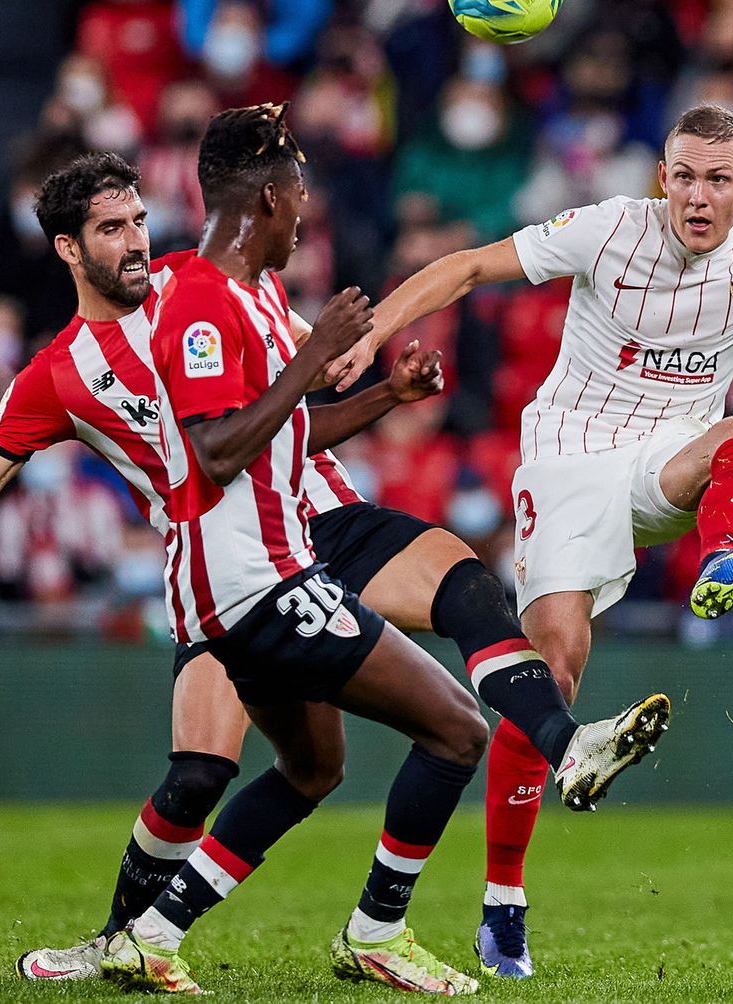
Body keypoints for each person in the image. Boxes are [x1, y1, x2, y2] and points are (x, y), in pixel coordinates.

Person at [0, 138, 663, 990]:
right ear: (66, 249)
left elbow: (287, 417)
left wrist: (381, 391)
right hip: (229, 562)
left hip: (310, 525)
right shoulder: (60, 375)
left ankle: (208, 931)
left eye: (139, 221)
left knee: (439, 621)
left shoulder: (199, 285)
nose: (135, 241)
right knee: (216, 767)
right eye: (109, 230)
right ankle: (142, 939)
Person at [328, 103, 733, 978]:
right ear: (661, 176)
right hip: (568, 457)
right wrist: (373, 332)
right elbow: (471, 265)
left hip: (670, 459)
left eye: (718, 179)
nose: (698, 197)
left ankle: (723, 557)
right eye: (685, 176)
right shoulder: (605, 230)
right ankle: (502, 906)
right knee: (551, 671)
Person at [98, 107, 665, 994]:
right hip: (254, 573)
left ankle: (151, 934)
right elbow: (215, 449)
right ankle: (381, 922)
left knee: (316, 764)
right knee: (449, 728)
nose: (304, 218)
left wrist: (388, 396)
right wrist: (315, 351)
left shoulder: (249, 295)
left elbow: (289, 430)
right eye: (299, 201)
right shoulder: (203, 300)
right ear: (271, 195)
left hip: (287, 548)